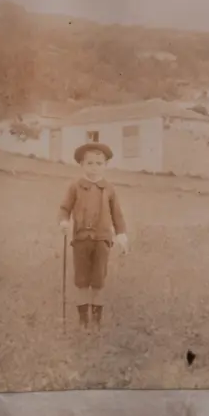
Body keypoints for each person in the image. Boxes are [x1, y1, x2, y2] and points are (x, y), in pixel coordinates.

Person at [58, 141, 130, 331]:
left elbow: (117, 215)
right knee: (82, 281)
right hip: (81, 240)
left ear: (105, 165)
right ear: (81, 165)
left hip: (102, 241)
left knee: (98, 281)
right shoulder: (75, 186)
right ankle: (83, 321)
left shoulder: (109, 188)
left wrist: (121, 235)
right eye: (90, 163)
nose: (94, 168)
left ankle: (97, 322)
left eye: (99, 164)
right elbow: (64, 208)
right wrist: (64, 222)